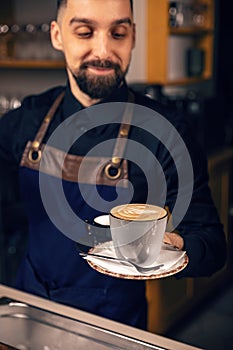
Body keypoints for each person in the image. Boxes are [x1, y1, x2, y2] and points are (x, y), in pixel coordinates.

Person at [0, 0, 226, 330]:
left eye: (118, 33)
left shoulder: (165, 133)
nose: (103, 50)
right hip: (28, 310)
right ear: (57, 35)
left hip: (112, 325)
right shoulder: (27, 120)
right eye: (85, 32)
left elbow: (212, 247)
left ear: (133, 36)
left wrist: (174, 246)